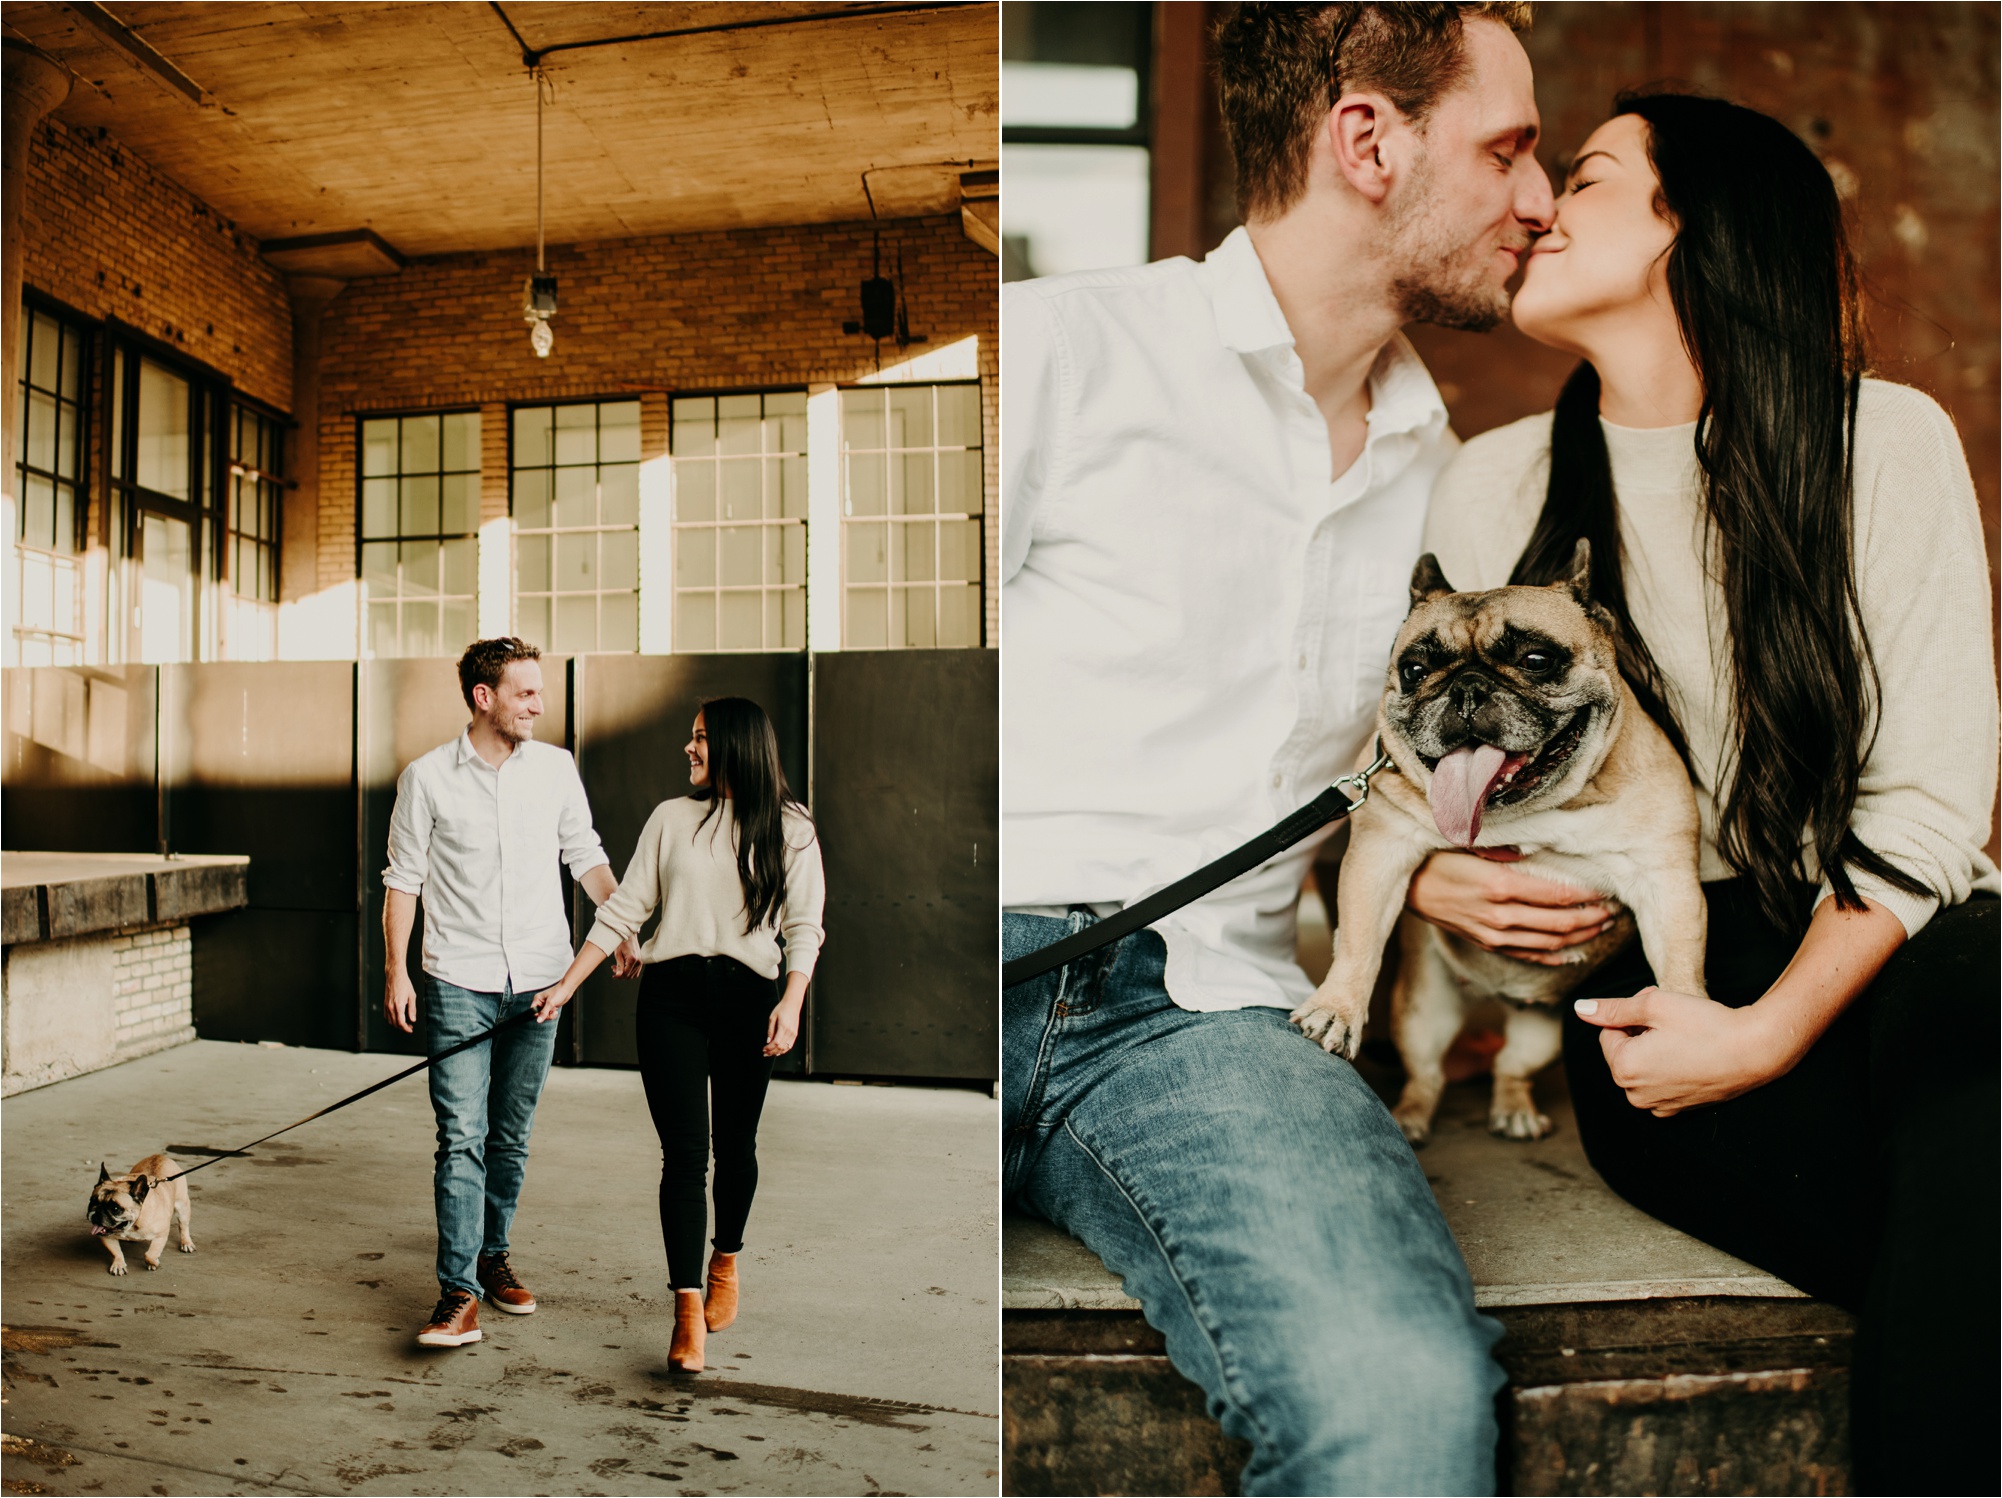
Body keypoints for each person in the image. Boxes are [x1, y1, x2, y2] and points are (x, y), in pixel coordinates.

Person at [1002, 5, 1554, 1491]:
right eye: (1508, 149)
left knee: (1402, 1409)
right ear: (1365, 140)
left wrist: (1431, 872)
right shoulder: (1062, 348)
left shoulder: (1452, 475)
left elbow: (1386, 765)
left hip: (1201, 1017)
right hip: (941, 964)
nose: (1540, 199)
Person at [1417, 91, 1999, 1494]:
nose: (1540, 203)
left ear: (1699, 226)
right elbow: (1425, 768)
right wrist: (1444, 871)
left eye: (1591, 176)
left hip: (1901, 939)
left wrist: (1772, 1031)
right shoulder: (1490, 489)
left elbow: (1931, 794)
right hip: (1661, 962)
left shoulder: (1885, 440)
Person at [534, 697, 824, 1374]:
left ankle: (726, 1258)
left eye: (698, 739)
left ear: (733, 746)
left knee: (738, 1147)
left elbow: (804, 924)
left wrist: (793, 999)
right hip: (673, 1000)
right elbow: (623, 910)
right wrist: (566, 986)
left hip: (750, 997)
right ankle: (686, 1308)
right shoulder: (670, 819)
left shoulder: (791, 828)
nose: (688, 750)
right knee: (684, 1157)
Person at [383, 637, 639, 1350]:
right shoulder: (427, 777)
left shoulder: (555, 769)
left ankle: (493, 1258)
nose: (539, 704)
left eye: (539, 691)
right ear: (483, 697)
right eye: (525, 693)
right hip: (457, 982)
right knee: (460, 1136)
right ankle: (457, 1292)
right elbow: (403, 879)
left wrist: (616, 923)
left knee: (511, 1137)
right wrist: (396, 971)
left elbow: (584, 853)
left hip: (540, 985)